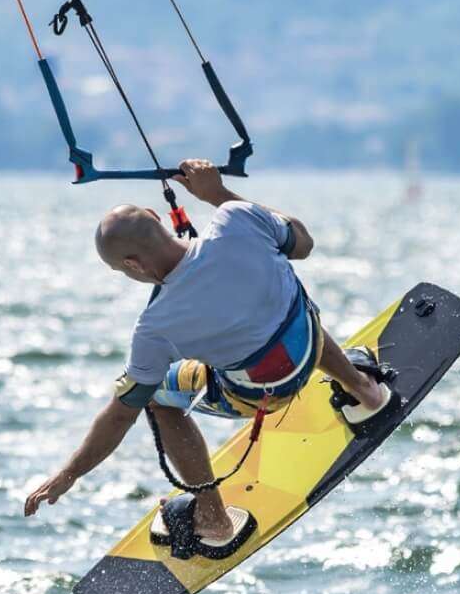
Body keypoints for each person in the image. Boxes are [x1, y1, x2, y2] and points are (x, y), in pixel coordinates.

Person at [24, 159, 394, 558]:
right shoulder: (237, 219)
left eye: (119, 270)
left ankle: (214, 519)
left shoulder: (155, 326)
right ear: (155, 217)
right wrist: (218, 195)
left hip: (264, 390)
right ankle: (364, 390)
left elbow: (120, 414)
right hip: (308, 343)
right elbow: (303, 243)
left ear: (133, 264)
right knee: (276, 301)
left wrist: (69, 474)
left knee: (155, 397)